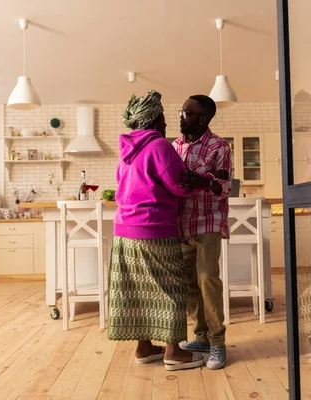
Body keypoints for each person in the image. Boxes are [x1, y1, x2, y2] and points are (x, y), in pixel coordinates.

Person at [108, 90, 215, 371]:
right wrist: (206, 180)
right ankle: (173, 353)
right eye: (163, 116)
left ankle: (144, 348)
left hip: (124, 231)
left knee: (138, 291)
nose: (168, 122)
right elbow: (180, 185)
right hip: (155, 229)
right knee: (171, 288)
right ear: (154, 119)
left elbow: (121, 182)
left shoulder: (126, 150)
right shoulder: (159, 145)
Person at [172, 95, 232, 370]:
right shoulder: (174, 146)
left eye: (186, 112)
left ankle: (218, 343)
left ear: (203, 118)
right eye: (183, 111)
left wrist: (206, 180)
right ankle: (202, 337)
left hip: (208, 221)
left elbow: (226, 186)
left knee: (208, 279)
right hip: (181, 224)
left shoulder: (220, 146)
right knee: (188, 285)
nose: (181, 116)